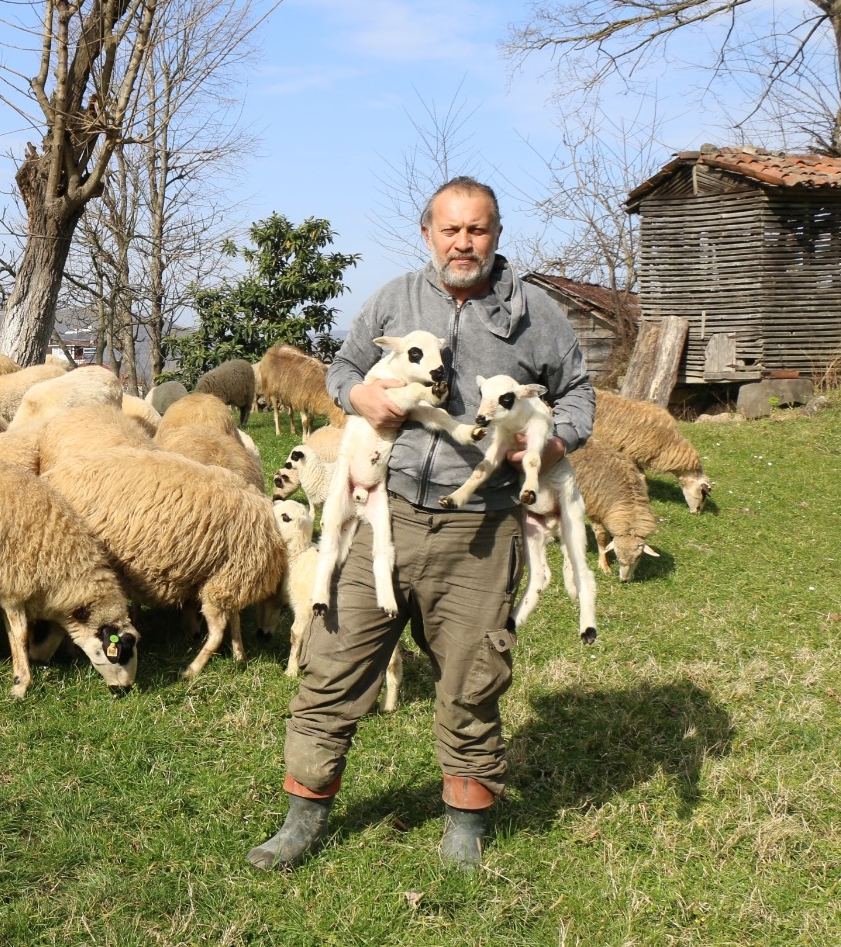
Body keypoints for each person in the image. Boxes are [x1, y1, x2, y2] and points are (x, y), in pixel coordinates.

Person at [247, 175, 594, 872]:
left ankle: (464, 827)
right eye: (451, 229)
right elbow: (342, 368)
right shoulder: (395, 297)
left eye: (478, 230)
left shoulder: (536, 314)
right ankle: (302, 818)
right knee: (331, 665)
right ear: (428, 233)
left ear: (496, 235)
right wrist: (356, 395)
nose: (463, 243)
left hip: (481, 530)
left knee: (472, 679)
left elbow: (580, 396)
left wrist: (554, 444)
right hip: (384, 515)